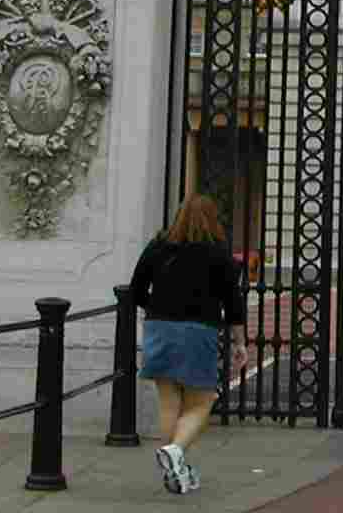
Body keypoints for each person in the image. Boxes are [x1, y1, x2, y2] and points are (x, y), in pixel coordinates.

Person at [130, 193, 246, 496]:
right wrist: (239, 342)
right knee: (202, 401)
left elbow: (136, 288)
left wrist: (155, 309)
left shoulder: (159, 246)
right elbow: (233, 303)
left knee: (169, 401)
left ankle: (175, 467)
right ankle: (176, 450)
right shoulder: (218, 253)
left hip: (159, 326)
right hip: (197, 330)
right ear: (213, 219)